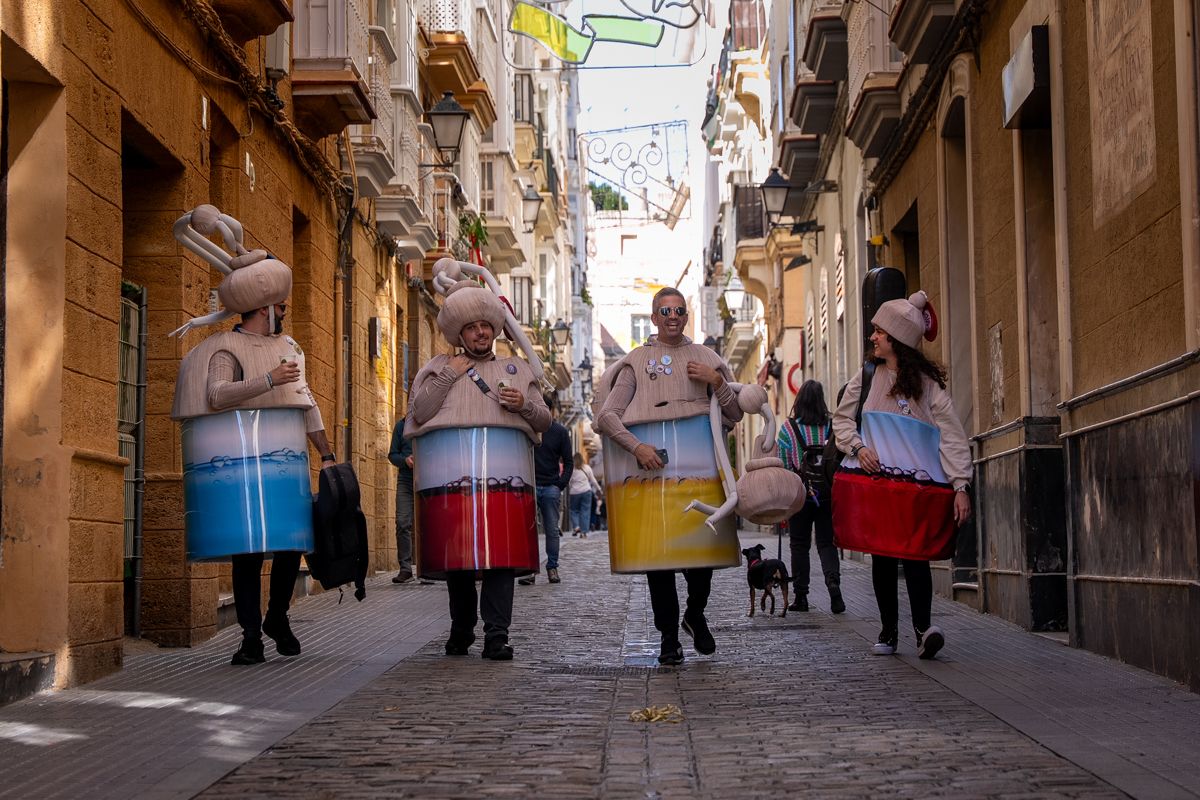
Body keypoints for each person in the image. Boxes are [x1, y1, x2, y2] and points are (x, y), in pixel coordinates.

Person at [169, 204, 336, 667]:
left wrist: (327, 452)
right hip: (239, 465)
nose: (285, 311)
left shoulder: (288, 346)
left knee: (289, 545)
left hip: (283, 463)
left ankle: (277, 616)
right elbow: (218, 394)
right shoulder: (224, 347)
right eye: (281, 305)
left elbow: (306, 399)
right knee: (248, 554)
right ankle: (249, 638)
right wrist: (267, 382)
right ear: (264, 307)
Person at [406, 271, 550, 661]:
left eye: (486, 326)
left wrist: (524, 406)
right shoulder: (437, 368)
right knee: (460, 563)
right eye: (472, 328)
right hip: (450, 483)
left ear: (495, 330)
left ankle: (496, 635)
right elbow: (420, 412)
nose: (481, 334)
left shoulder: (517, 369)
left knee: (500, 561)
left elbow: (544, 421)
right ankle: (461, 629)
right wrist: (449, 376)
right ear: (460, 334)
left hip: (506, 483)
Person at [594, 288, 743, 665]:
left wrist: (718, 382)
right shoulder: (636, 362)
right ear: (655, 317)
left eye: (679, 310)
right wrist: (637, 447)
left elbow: (735, 415)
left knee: (702, 559)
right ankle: (668, 638)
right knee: (659, 563)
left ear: (686, 315)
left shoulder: (708, 358)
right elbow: (608, 417)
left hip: (702, 478)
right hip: (651, 483)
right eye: (665, 310)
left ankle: (695, 614)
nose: (673, 316)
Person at [832, 291, 972, 660]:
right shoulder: (864, 378)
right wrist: (859, 448)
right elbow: (842, 421)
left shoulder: (929, 388)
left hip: (918, 490)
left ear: (898, 339)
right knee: (882, 556)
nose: (873, 337)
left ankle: (923, 631)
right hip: (878, 486)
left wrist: (961, 485)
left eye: (879, 331)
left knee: (916, 558)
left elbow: (953, 437)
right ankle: (888, 631)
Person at [777, 380, 844, 614]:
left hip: (800, 495)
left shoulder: (788, 429)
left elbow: (784, 466)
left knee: (799, 545)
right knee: (827, 543)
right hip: (827, 494)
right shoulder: (832, 427)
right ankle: (834, 586)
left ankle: (801, 597)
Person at [521, 395, 573, 585]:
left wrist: (560, 484)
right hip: (529, 486)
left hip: (551, 487)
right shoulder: (526, 429)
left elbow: (568, 462)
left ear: (549, 410)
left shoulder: (559, 431)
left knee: (551, 530)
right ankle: (529, 571)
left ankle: (552, 567)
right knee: (527, 530)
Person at [388, 417, 415, 583]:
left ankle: (430, 568)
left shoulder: (432, 422)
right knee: (402, 522)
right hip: (406, 480)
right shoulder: (401, 426)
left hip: (429, 477)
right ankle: (405, 568)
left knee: (429, 524)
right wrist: (405, 461)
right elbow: (392, 455)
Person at [568, 453, 602, 538]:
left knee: (574, 511)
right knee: (585, 512)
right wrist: (599, 489)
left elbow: (569, 481)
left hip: (574, 492)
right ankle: (584, 532)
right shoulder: (587, 468)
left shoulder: (571, 469)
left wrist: (572, 487)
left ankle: (576, 526)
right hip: (586, 491)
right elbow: (593, 480)